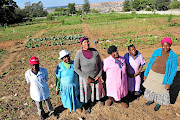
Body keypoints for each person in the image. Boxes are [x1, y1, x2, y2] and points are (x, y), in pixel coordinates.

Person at [143, 37, 178, 111]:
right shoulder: (156, 52)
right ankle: (152, 100)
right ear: (161, 45)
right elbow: (150, 63)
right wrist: (146, 73)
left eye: (167, 45)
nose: (165, 47)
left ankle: (159, 103)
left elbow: (173, 71)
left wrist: (169, 83)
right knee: (152, 88)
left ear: (170, 45)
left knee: (161, 91)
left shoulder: (173, 56)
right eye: (163, 45)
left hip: (163, 76)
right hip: (152, 74)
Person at [74, 37, 105, 113]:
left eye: (87, 42)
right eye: (85, 42)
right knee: (86, 92)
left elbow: (100, 64)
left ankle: (99, 99)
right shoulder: (79, 54)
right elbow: (76, 68)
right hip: (85, 78)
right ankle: (87, 105)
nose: (87, 43)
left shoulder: (95, 51)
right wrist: (86, 77)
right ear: (81, 44)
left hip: (96, 76)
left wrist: (99, 75)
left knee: (98, 89)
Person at [56, 50, 82, 114]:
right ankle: (69, 107)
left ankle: (77, 107)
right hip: (65, 87)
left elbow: (79, 74)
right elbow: (58, 78)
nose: (66, 58)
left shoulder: (74, 64)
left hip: (74, 85)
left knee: (75, 96)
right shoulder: (60, 66)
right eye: (64, 57)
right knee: (67, 98)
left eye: (67, 56)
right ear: (62, 59)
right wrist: (57, 88)